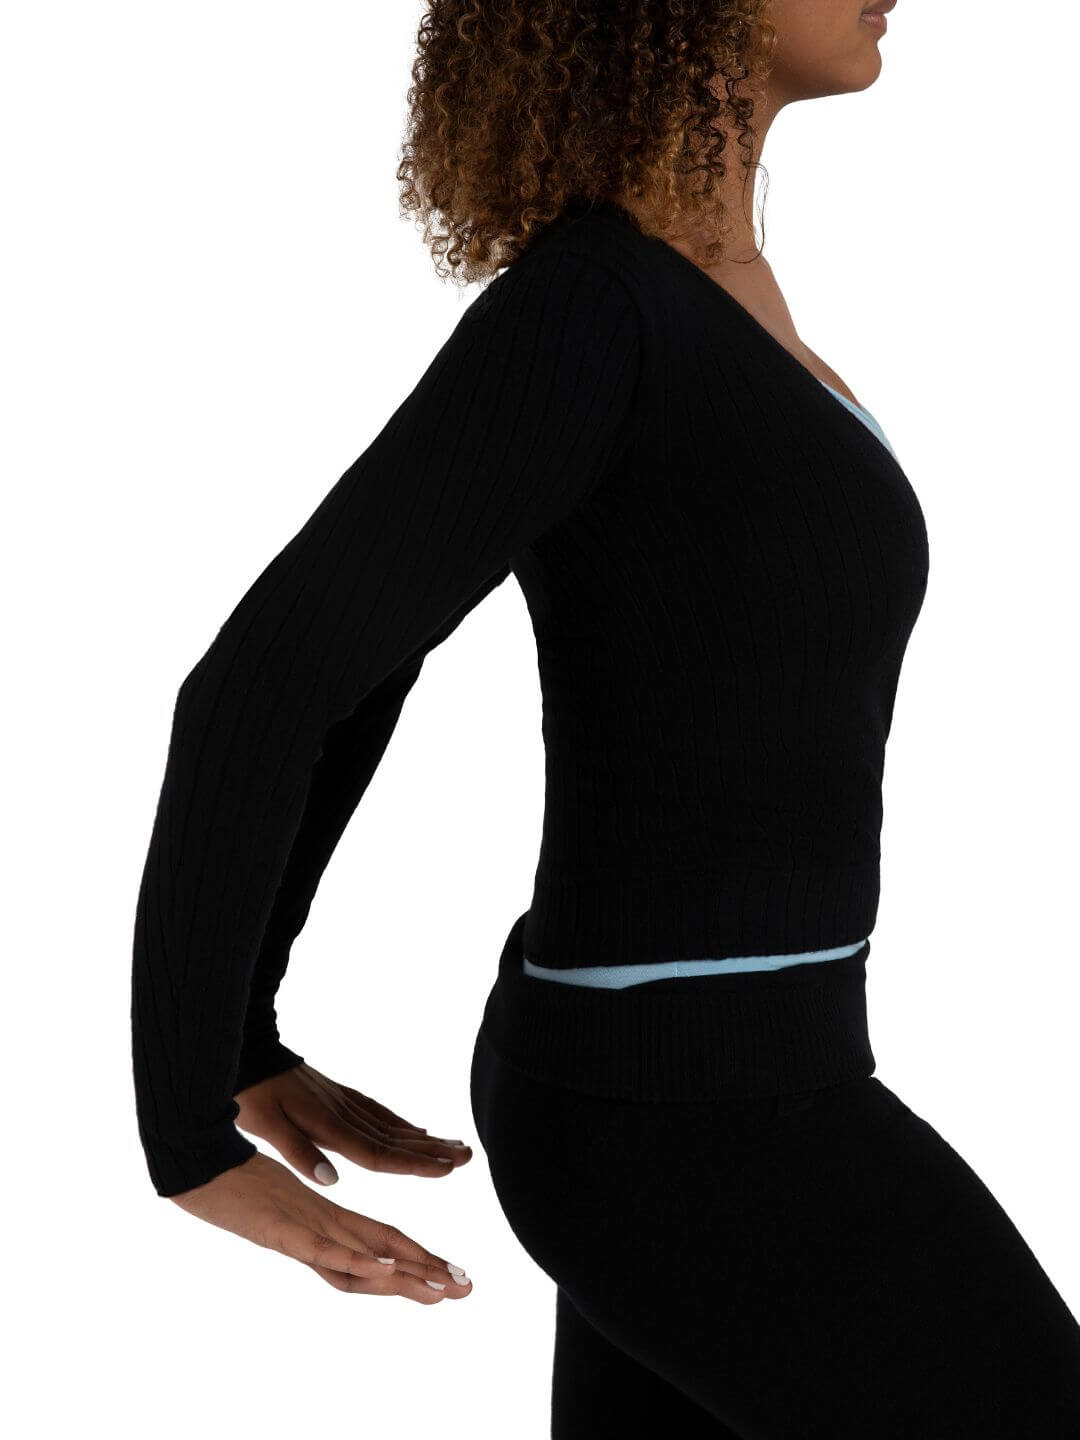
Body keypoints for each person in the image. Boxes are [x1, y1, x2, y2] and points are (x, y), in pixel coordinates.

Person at [130, 1, 1080, 1432]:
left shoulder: (702, 288)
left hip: (732, 1082)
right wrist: (192, 1117)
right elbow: (268, 684)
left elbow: (366, 662)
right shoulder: (592, 304)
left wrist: (245, 1035)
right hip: (684, 1124)